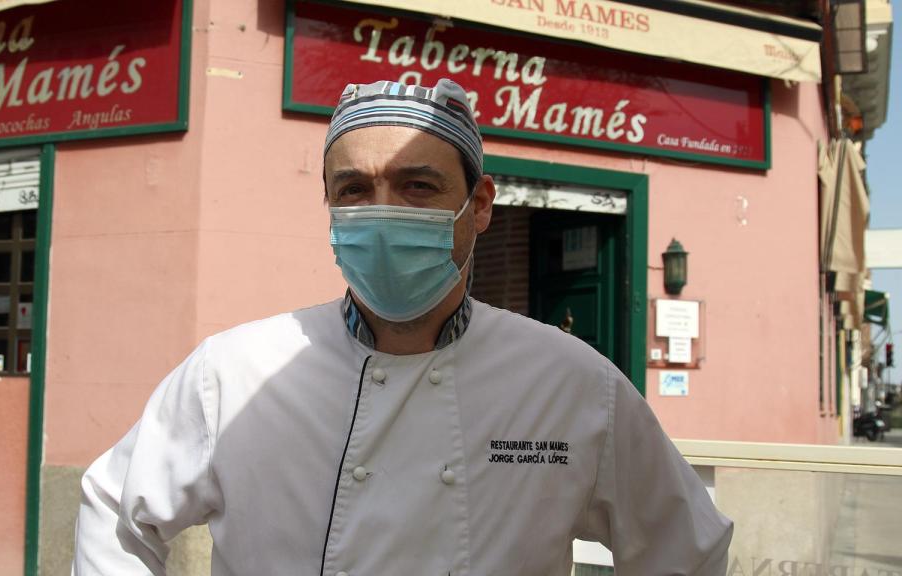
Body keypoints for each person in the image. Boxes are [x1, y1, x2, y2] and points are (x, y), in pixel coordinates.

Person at [73, 78, 733, 575]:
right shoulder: (234, 372)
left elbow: (688, 548)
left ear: (477, 206)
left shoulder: (571, 383)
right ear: (328, 205)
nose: (382, 213)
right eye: (355, 190)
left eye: (418, 187)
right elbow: (114, 508)